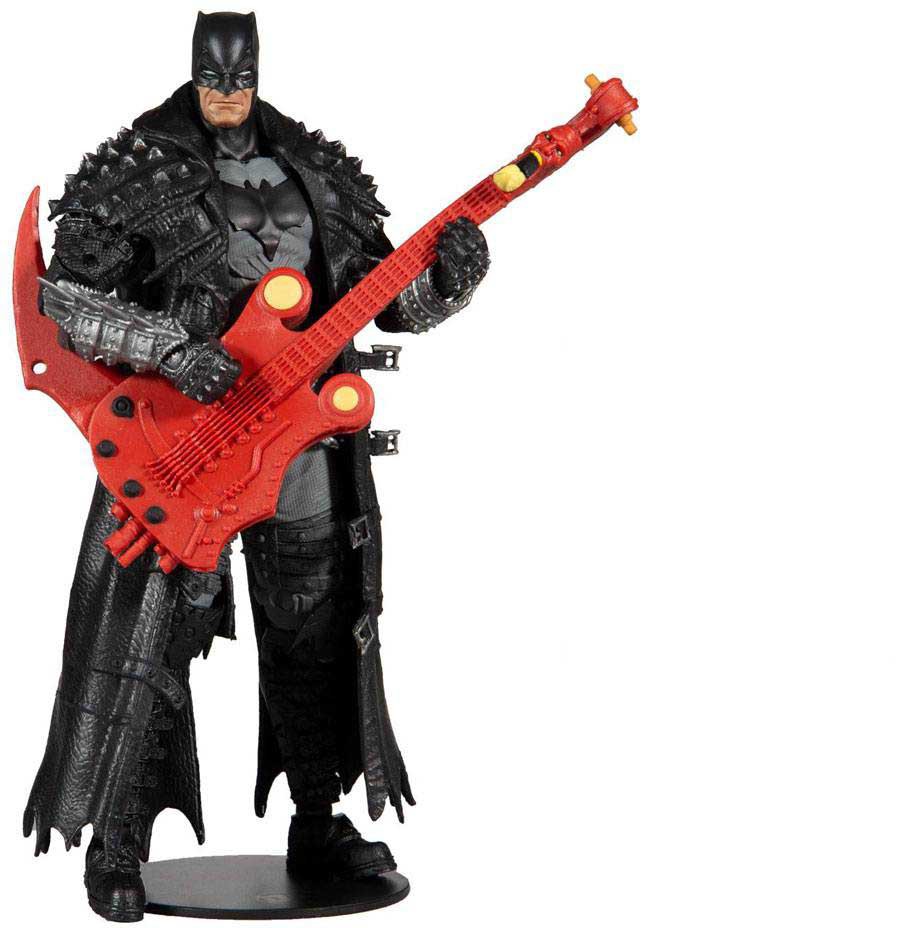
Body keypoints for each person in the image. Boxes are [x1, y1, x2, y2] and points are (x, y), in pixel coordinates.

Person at [24, 11, 490, 922]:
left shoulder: (318, 170)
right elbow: (64, 300)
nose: (226, 93)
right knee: (155, 631)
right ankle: (118, 841)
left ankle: (317, 821)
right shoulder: (138, 166)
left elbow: (384, 299)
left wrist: (449, 281)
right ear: (193, 69)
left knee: (314, 622)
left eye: (239, 79)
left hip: (303, 433)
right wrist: (168, 348)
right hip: (183, 441)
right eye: (213, 77)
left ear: (259, 71)